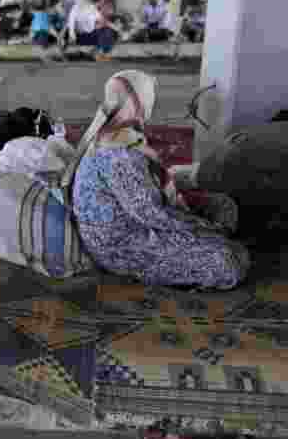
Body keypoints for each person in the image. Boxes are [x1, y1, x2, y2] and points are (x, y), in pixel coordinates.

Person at [62, 70, 250, 290]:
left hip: (140, 221)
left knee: (223, 206)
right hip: (122, 244)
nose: (151, 101)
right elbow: (151, 215)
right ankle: (210, 247)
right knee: (228, 262)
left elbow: (149, 188)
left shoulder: (117, 133)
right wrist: (202, 228)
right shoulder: (118, 154)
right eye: (148, 95)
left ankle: (213, 241)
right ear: (137, 101)